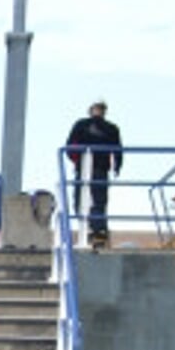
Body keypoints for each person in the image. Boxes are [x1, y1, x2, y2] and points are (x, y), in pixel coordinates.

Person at [65, 100, 123, 244]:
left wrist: (117, 165)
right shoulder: (83, 125)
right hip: (86, 168)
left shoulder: (110, 128)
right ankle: (92, 230)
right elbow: (71, 147)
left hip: (97, 168)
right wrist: (117, 165)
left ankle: (97, 231)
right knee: (85, 200)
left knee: (97, 200)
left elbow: (117, 150)